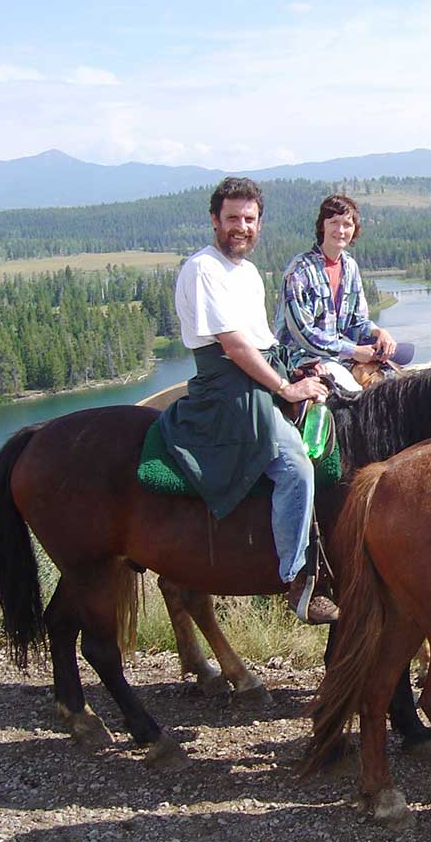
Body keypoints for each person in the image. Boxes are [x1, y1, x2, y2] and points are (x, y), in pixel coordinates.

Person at [160, 177, 338, 624]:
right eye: (233, 218)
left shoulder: (249, 273)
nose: (241, 227)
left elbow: (262, 343)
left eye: (250, 219)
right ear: (215, 220)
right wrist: (285, 389)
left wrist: (295, 371)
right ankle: (297, 579)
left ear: (259, 223)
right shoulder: (203, 268)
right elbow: (235, 348)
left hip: (259, 375)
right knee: (295, 464)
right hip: (227, 391)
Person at [275, 194, 413, 393]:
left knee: (399, 379)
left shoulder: (349, 266)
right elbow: (305, 335)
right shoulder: (299, 271)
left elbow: (357, 321)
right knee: (356, 398)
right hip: (304, 357)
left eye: (347, 224)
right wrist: (354, 351)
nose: (340, 230)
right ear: (322, 226)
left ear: (354, 229)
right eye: (334, 222)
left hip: (341, 353)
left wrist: (378, 333)